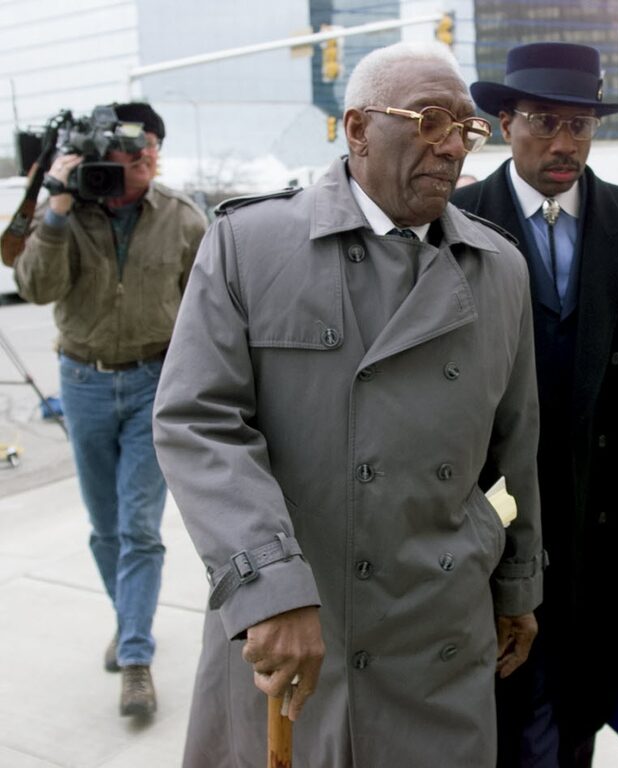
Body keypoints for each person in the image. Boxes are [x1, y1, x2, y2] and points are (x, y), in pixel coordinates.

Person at [152, 41, 545, 768]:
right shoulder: (250, 245)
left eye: (467, 127)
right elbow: (198, 423)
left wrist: (519, 584)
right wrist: (268, 588)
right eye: (431, 120)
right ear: (358, 130)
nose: (455, 146)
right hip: (296, 638)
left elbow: (512, 450)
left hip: (439, 641)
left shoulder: (500, 269)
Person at [452, 42, 618, 767]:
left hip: (604, 496)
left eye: (580, 126)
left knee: (582, 681)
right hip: (498, 494)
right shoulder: (454, 221)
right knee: (502, 679)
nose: (564, 144)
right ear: (503, 121)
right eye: (545, 122)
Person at [14, 102, 207, 718]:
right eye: (136, 146)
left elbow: (208, 310)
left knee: (138, 528)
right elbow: (33, 287)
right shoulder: (65, 209)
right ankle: (131, 621)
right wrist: (57, 211)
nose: (149, 156)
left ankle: (135, 658)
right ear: (104, 153)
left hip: (155, 384)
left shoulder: (181, 217)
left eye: (155, 146)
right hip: (84, 383)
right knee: (104, 528)